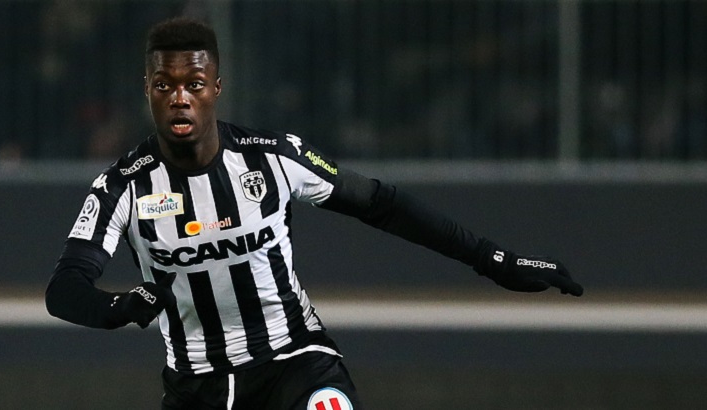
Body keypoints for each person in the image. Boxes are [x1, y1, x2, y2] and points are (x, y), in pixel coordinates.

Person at [44, 17, 584, 410]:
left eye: (194, 85)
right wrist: (118, 305)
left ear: (216, 90)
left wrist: (494, 259)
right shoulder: (123, 186)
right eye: (165, 86)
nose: (180, 98)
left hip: (295, 362)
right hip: (196, 386)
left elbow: (384, 205)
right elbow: (65, 287)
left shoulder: (270, 156)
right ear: (148, 91)